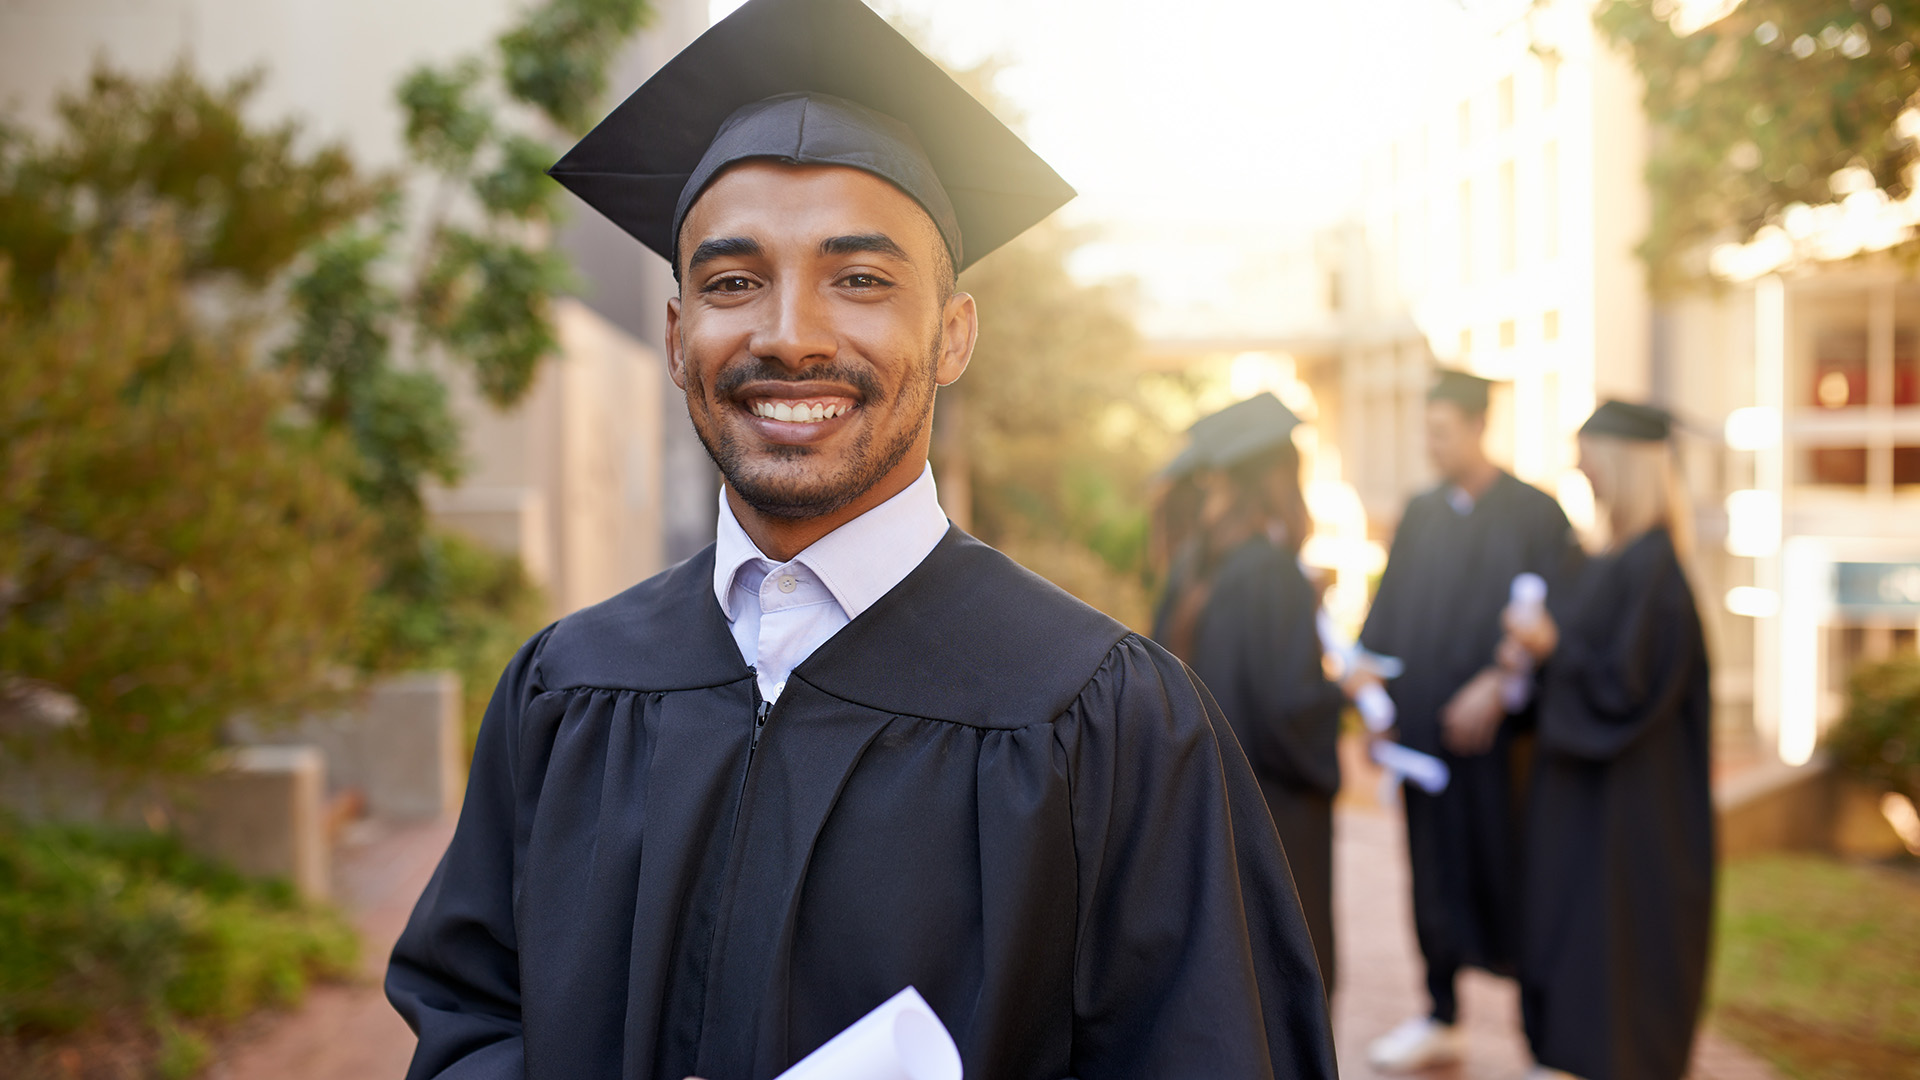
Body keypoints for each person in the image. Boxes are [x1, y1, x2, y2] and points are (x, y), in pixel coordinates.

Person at [384, 2, 1338, 1078]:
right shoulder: (566, 691)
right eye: (733, 282)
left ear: (952, 335)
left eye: (861, 280)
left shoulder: (1107, 722)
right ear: (675, 335)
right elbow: (469, 1021)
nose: (789, 335)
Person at [1352, 369, 1580, 1072]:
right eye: (1426, 430)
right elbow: (1386, 621)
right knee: (1429, 881)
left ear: (1481, 427)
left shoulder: (1537, 514)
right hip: (1423, 743)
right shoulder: (1419, 513)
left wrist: (1498, 681)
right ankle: (1441, 1015)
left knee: (1515, 882)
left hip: (1501, 748)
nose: (1432, 445)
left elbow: (1561, 622)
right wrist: (1374, 704)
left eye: (1443, 432)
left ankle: (1543, 1043)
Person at [1499, 400, 1714, 1080]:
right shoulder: (1609, 561)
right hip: (1588, 808)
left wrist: (1553, 648)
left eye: (1587, 456)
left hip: (1633, 816)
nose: (1578, 469)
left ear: (1624, 466)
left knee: (1620, 949)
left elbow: (1624, 690)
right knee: (1576, 938)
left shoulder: (1654, 572)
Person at [1151, 394, 1346, 993]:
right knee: (1285, 977)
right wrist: (1343, 692)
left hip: (1208, 804)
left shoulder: (1193, 567)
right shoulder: (1272, 574)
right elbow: (1289, 708)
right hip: (1274, 813)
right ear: (1278, 480)